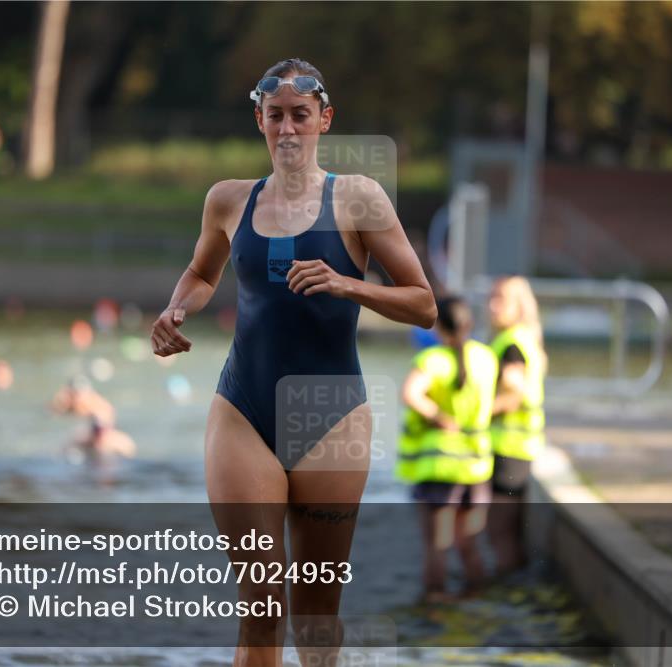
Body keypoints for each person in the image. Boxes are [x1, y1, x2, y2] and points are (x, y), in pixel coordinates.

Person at [150, 58, 436, 666]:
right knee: (260, 607)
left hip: (330, 415)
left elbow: (423, 304)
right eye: (274, 115)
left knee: (314, 613)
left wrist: (348, 284)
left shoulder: (359, 199)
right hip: (244, 411)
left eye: (299, 116)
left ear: (323, 120)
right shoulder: (228, 200)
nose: (287, 129)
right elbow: (202, 273)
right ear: (259, 119)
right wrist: (176, 310)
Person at [396, 296, 498, 601]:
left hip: (438, 468)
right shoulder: (487, 357)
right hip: (476, 466)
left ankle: (435, 606)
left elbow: (410, 394)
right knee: (468, 542)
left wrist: (439, 417)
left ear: (439, 326)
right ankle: (475, 598)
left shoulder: (433, 359)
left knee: (437, 545)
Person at [486, 275, 547, 576]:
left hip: (509, 449)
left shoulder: (512, 344)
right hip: (518, 448)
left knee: (499, 531)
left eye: (500, 299)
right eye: (491, 298)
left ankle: (505, 594)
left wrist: (472, 418)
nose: (492, 306)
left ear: (519, 306)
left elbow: (513, 392)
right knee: (507, 531)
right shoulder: (524, 339)